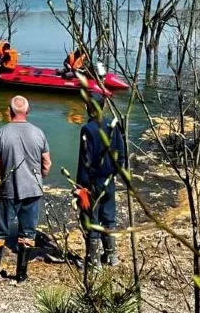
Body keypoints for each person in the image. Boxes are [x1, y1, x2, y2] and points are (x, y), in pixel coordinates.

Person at [0, 95, 51, 283]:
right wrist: (39, 178)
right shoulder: (39, 133)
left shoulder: (1, 133)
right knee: (28, 232)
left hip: (9, 190)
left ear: (9, 111)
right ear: (27, 111)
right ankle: (21, 275)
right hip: (33, 190)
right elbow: (47, 163)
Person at [75, 91, 126, 269]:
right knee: (108, 216)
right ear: (103, 106)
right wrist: (114, 172)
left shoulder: (87, 129)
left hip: (93, 182)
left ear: (87, 107)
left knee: (91, 219)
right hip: (109, 179)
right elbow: (121, 154)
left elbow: (85, 161)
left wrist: (81, 186)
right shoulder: (113, 125)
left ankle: (93, 262)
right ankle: (112, 257)